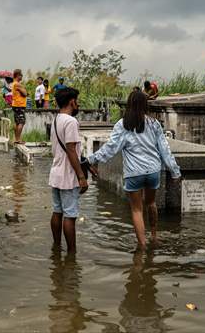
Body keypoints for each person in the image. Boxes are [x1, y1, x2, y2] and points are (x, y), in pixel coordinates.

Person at [88, 91, 181, 249]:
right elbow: (165, 150)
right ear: (145, 105)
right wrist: (175, 171)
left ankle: (142, 246)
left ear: (129, 105)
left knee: (137, 210)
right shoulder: (154, 124)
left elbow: (111, 148)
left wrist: (91, 159)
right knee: (151, 203)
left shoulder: (123, 124)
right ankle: (154, 236)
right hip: (153, 171)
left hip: (134, 173)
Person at [49, 87, 88, 253]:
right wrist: (81, 176)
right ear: (72, 101)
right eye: (76, 101)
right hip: (68, 175)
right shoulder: (71, 121)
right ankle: (72, 254)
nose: (77, 104)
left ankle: (57, 247)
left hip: (56, 173)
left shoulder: (57, 119)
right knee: (70, 216)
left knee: (57, 212)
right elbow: (71, 149)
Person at [12, 69, 28, 145]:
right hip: (19, 105)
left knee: (17, 122)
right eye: (21, 75)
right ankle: (18, 139)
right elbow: (25, 93)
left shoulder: (14, 83)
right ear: (18, 75)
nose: (22, 76)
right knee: (21, 122)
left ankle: (16, 139)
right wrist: (24, 90)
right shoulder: (17, 84)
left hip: (15, 105)